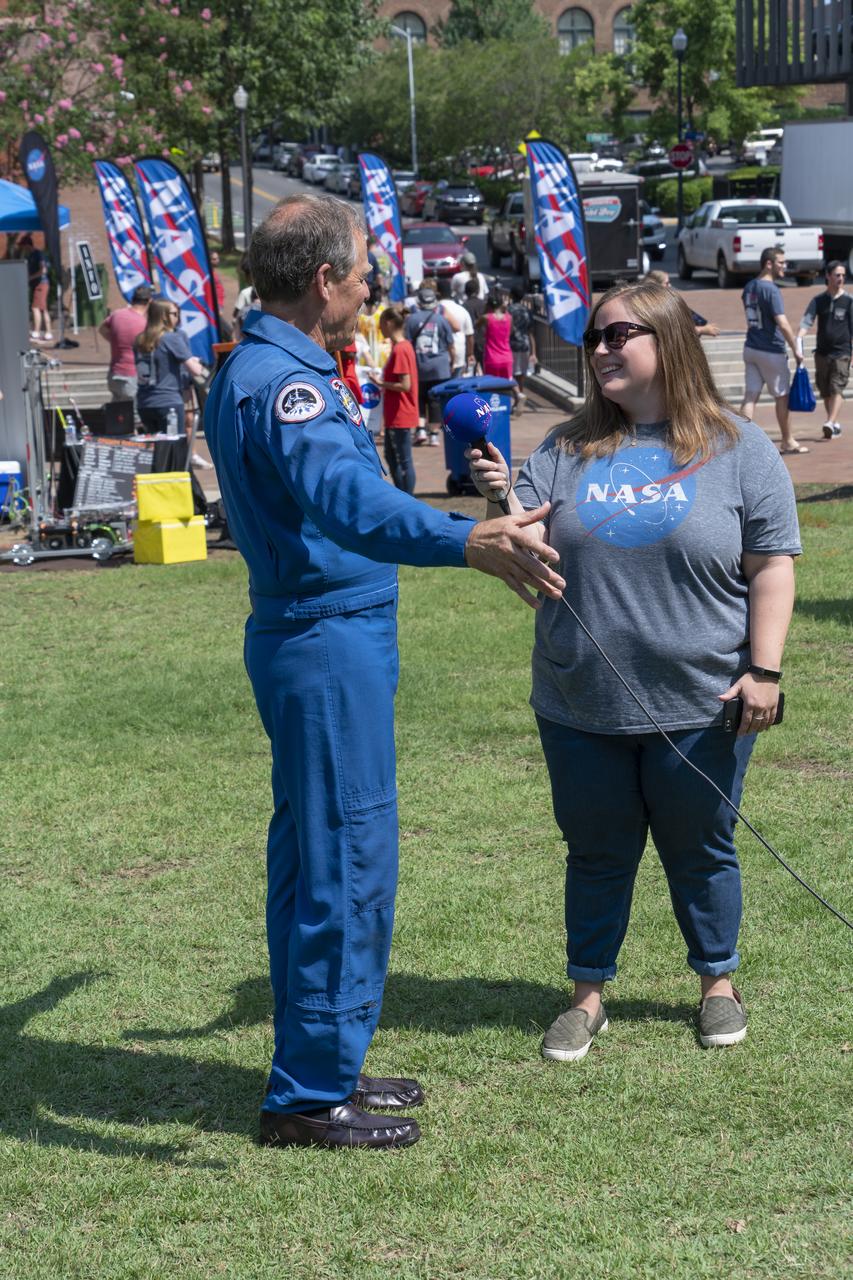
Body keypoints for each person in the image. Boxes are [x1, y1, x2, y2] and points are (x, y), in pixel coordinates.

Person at [203, 193, 565, 1151]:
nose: (371, 290)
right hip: (324, 643)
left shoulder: (257, 366)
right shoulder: (289, 385)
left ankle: (326, 1059)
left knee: (318, 857)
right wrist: (465, 540)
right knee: (344, 861)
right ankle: (309, 1095)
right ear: (323, 280)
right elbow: (352, 506)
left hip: (316, 637)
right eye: (364, 273)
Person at [468, 279, 800, 1062]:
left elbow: (771, 568)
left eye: (620, 334)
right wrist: (494, 508)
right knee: (595, 850)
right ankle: (586, 996)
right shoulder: (561, 446)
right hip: (577, 701)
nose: (602, 348)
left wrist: (764, 671)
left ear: (667, 343)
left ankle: (716, 985)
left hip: (702, 701)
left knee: (701, 845)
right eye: (595, 338)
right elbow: (516, 550)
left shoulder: (738, 448)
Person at [739, 248, 808, 454]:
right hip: (771, 350)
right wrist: (796, 349)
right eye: (781, 262)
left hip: (751, 347)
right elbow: (783, 323)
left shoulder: (749, 287)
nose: (784, 266)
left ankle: (740, 443)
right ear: (769, 264)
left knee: (750, 396)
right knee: (782, 396)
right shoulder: (771, 289)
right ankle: (788, 441)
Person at [796, 260, 852, 440]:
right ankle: (833, 424)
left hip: (842, 352)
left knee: (837, 387)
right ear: (828, 276)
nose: (841, 278)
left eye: (843, 275)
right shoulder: (819, 300)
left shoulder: (849, 301)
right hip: (822, 353)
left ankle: (829, 421)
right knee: (826, 390)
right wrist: (799, 337)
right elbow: (807, 320)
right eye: (837, 275)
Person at [134, 298, 205, 433]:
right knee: (174, 450)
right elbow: (196, 370)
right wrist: (198, 362)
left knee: (154, 451)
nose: (177, 318)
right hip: (168, 402)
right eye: (174, 314)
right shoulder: (171, 338)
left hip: (144, 403)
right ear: (164, 316)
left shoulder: (139, 339)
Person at [373, 304, 418, 493]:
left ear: (389, 323)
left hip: (401, 412)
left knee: (402, 459)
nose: (380, 328)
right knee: (393, 457)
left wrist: (381, 383)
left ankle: (407, 498)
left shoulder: (401, 349)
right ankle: (404, 496)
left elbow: (405, 384)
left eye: (381, 324)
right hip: (397, 413)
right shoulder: (403, 346)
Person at [404, 285, 455, 446]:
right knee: (435, 401)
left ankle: (420, 430)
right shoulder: (441, 320)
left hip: (418, 366)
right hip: (440, 366)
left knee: (419, 398)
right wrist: (453, 361)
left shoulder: (411, 320)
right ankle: (434, 433)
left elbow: (406, 343)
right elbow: (450, 345)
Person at [98, 284, 153, 402]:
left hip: (114, 374)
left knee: (118, 415)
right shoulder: (144, 324)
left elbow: (102, 329)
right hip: (132, 376)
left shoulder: (117, 314)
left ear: (133, 299)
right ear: (149, 301)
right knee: (134, 417)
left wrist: (115, 340)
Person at [644, 269, 720, 337]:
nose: (669, 285)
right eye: (666, 283)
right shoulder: (662, 306)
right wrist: (702, 330)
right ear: (657, 285)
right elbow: (676, 331)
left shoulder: (647, 302)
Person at [478, 288, 518, 402]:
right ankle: (514, 398)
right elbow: (510, 333)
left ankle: (495, 407)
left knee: (492, 386)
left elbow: (476, 326)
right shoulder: (508, 318)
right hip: (506, 356)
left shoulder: (487, 318)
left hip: (492, 357)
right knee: (507, 382)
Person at [436, 278, 474, 377]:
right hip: (459, 354)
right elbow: (469, 336)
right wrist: (470, 354)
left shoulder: (435, 310)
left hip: (439, 355)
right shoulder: (462, 310)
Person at [508, 284, 537, 407]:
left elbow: (507, 330)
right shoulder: (527, 311)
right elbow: (531, 333)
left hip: (511, 345)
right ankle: (520, 395)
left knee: (511, 373)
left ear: (511, 295)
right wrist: (534, 352)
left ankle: (517, 397)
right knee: (521, 374)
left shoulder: (508, 310)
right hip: (525, 345)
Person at [23, 234, 52, 342]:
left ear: (28, 245)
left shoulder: (37, 254)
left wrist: (30, 277)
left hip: (41, 284)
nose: (23, 249)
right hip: (38, 284)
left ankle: (36, 333)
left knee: (35, 308)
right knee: (43, 309)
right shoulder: (31, 256)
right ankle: (48, 333)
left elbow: (43, 270)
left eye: (24, 246)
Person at [463, 278, 486, 371]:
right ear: (477, 291)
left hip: (471, 343)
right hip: (484, 341)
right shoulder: (484, 304)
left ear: (465, 292)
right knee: (487, 373)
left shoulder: (464, 306)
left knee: (471, 373)